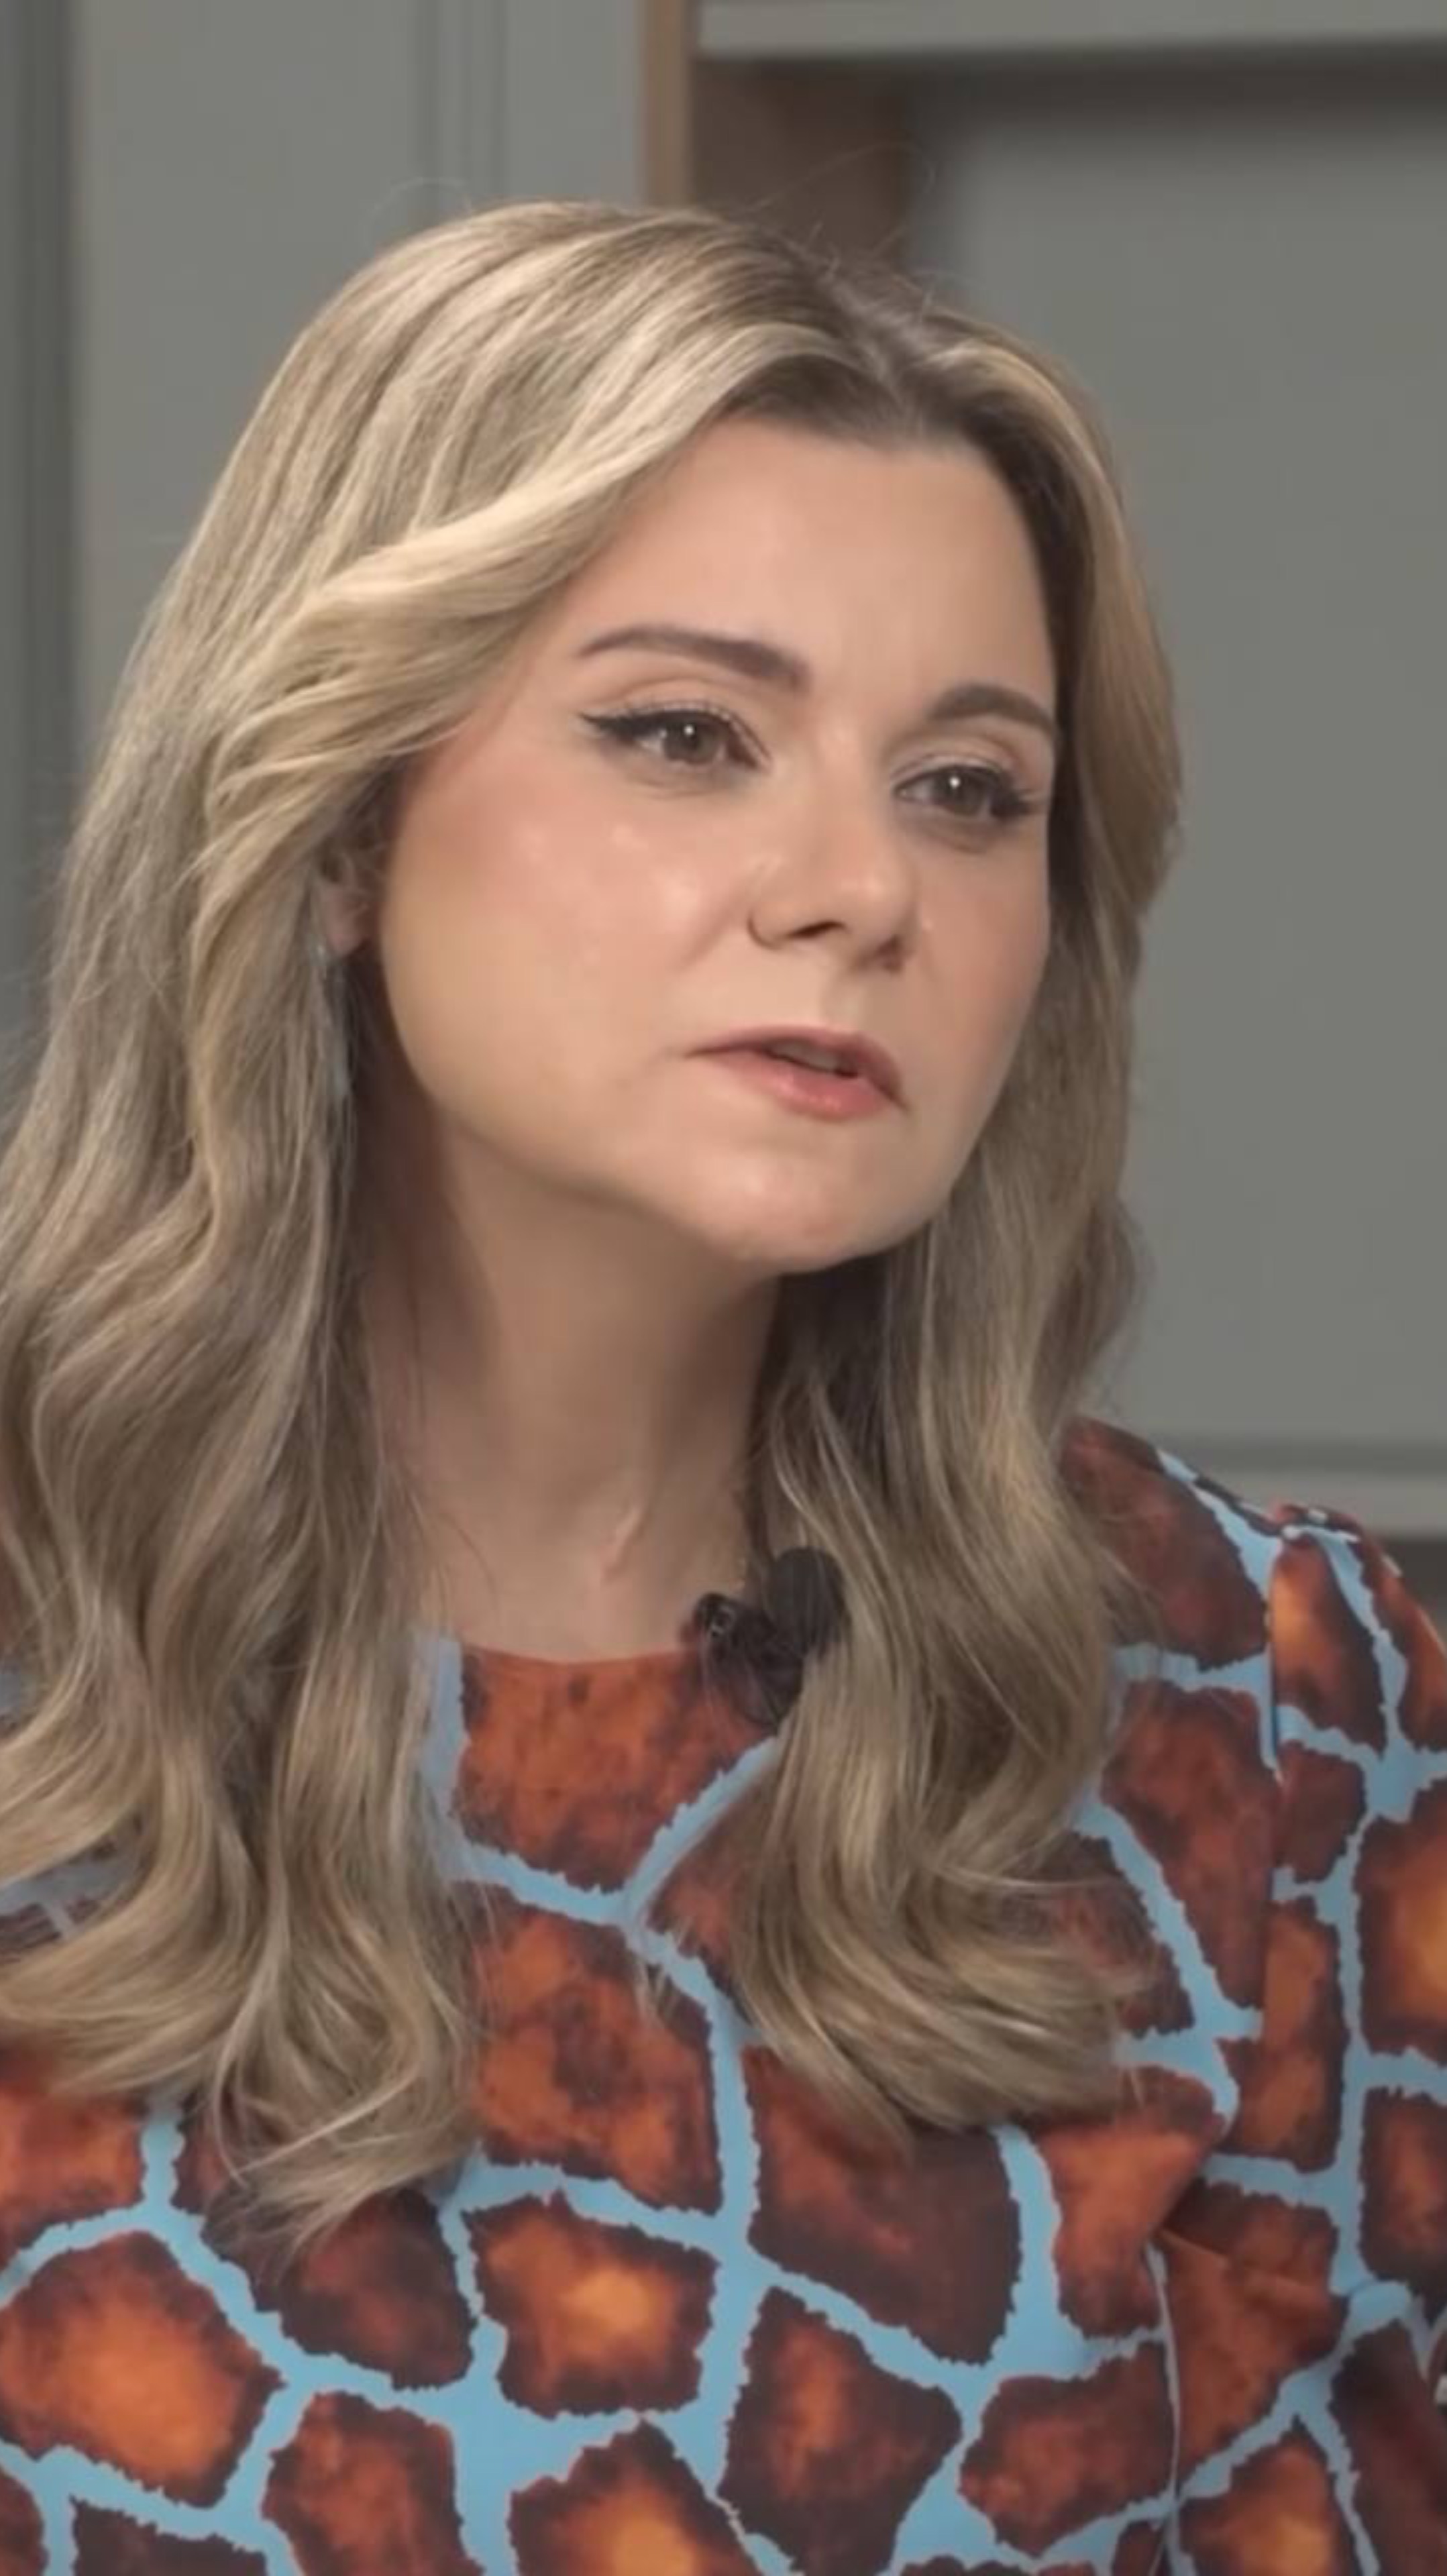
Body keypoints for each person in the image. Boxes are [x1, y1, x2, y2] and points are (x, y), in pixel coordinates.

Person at [0, 197, 1441, 2576]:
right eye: (686, 735)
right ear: (341, 818)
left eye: (967, 789)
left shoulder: (1268, 1704)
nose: (859, 887)